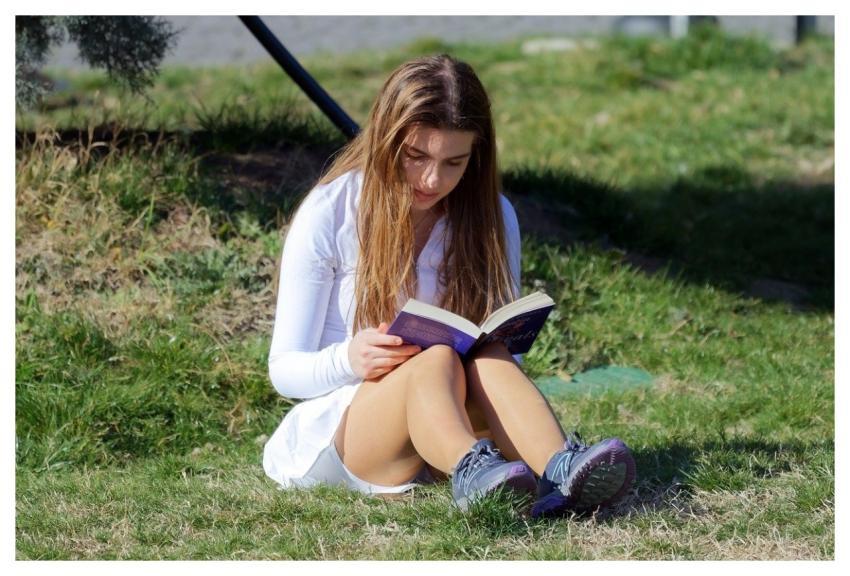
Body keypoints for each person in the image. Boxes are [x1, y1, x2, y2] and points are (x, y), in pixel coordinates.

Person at [263, 54, 635, 517]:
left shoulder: (494, 216)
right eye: (416, 156)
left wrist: (496, 348)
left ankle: (561, 471)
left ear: (475, 158)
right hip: (347, 430)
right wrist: (350, 358)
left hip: (445, 417)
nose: (432, 180)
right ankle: (474, 473)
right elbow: (284, 371)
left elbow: (502, 362)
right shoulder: (331, 211)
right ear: (385, 140)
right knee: (434, 358)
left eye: (454, 162)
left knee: (490, 354)